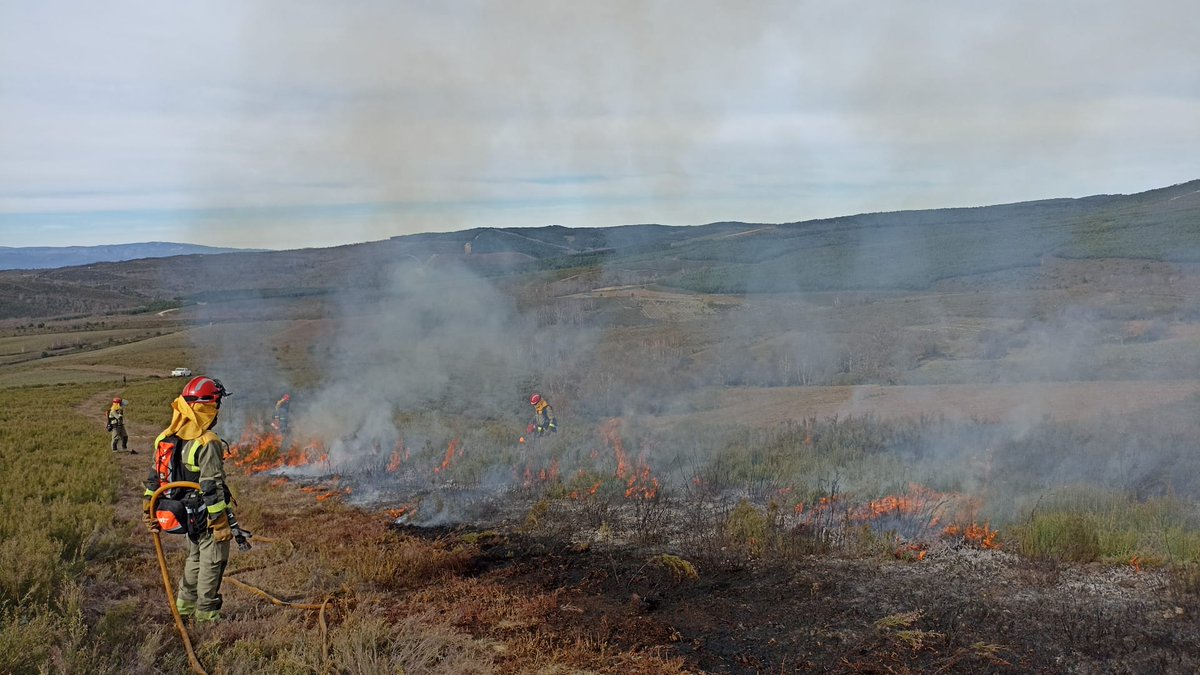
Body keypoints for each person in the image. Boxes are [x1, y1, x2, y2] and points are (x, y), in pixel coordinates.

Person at [142, 376, 234, 624]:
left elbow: (155, 477)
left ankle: (184, 605)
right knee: (212, 560)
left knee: (193, 557)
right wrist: (220, 521)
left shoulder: (165, 437)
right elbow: (211, 485)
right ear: (208, 407)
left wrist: (148, 508)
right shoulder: (207, 442)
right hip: (204, 515)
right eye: (216, 405)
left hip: (180, 512)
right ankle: (206, 613)